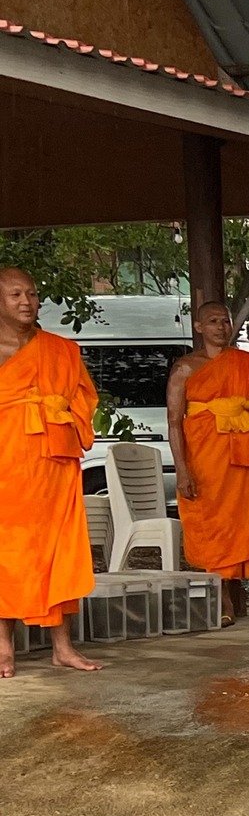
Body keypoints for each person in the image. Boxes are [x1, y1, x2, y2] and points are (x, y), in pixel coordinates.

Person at [167, 302, 249, 628]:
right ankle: (223, 605)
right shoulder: (185, 368)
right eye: (213, 321)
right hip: (206, 463)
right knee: (215, 530)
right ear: (198, 327)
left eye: (225, 321)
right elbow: (173, 422)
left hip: (246, 461)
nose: (221, 327)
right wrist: (182, 471)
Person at [0, 267, 100, 676]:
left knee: (61, 552)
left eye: (32, 293)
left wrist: (55, 409)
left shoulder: (62, 350)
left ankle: (62, 646)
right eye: (15, 295)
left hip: (54, 465)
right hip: (6, 466)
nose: (26, 302)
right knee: (8, 551)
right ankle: (3, 645)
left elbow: (84, 400)